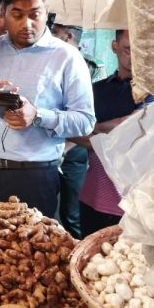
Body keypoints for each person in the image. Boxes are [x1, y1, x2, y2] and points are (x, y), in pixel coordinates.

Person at [0, 0, 95, 217]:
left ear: (46, 13)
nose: (27, 23)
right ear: (3, 13)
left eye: (35, 14)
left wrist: (38, 115)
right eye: (17, 14)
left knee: (26, 253)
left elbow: (85, 121)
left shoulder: (68, 58)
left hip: (32, 178)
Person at [77, 29, 154, 237]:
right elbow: (73, 132)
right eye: (128, 49)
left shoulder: (153, 92)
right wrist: (102, 132)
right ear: (115, 47)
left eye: (140, 50)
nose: (134, 56)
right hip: (92, 195)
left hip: (131, 202)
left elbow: (132, 127)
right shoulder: (96, 90)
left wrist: (91, 127)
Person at [50, 22, 101, 238]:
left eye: (55, 33)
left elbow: (89, 119)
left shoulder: (92, 69)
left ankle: (80, 257)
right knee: (44, 212)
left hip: (75, 150)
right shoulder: (49, 62)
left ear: (69, 36)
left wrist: (66, 147)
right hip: (48, 145)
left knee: (71, 214)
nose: (50, 37)